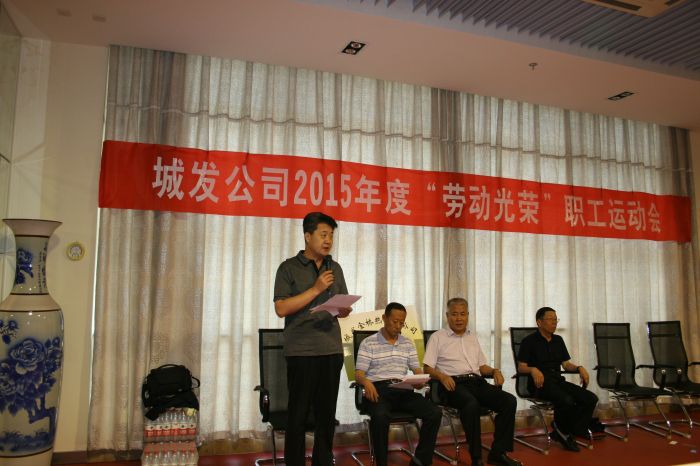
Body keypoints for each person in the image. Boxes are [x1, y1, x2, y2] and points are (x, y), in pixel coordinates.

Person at [273, 212, 352, 466]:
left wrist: (343, 309)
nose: (328, 240)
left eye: (331, 236)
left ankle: (323, 461)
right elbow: (281, 308)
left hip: (331, 349)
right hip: (302, 351)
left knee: (326, 416)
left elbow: (342, 305)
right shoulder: (288, 268)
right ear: (308, 236)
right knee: (297, 416)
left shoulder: (334, 268)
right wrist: (316, 289)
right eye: (323, 234)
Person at [423, 298, 521, 466]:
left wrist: (495, 371)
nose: (458, 318)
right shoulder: (437, 337)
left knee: (509, 401)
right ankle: (476, 457)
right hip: (451, 384)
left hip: (476, 382)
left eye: (462, 314)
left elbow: (481, 367)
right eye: (454, 314)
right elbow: (427, 368)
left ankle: (498, 453)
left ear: (468, 315)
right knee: (471, 404)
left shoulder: (472, 337)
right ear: (447, 316)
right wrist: (442, 376)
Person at [355, 302, 442, 466]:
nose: (398, 326)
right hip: (379, 390)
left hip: (403, 390)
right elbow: (359, 374)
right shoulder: (368, 343)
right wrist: (366, 382)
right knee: (380, 416)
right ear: (384, 318)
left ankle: (420, 460)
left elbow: (417, 370)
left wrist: (419, 381)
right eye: (394, 321)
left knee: (434, 413)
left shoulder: (407, 343)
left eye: (401, 323)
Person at [516, 306, 599, 452]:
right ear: (539, 322)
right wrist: (533, 369)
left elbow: (566, 365)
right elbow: (521, 367)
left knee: (590, 398)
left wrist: (579, 368)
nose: (554, 322)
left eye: (556, 319)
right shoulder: (529, 341)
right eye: (550, 319)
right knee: (566, 400)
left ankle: (571, 429)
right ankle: (564, 434)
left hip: (557, 382)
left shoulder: (558, 340)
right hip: (539, 385)